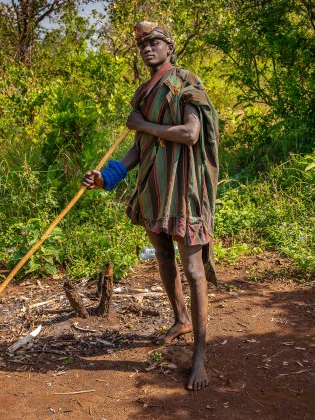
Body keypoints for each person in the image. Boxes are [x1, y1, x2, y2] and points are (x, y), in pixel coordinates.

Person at [82, 21, 219, 391]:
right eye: (142, 45)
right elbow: (137, 148)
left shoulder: (185, 82)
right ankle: (180, 319)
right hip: (154, 189)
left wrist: (143, 122)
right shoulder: (145, 91)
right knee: (161, 256)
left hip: (184, 189)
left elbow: (190, 135)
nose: (147, 48)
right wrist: (107, 177)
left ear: (169, 46)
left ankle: (200, 355)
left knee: (193, 269)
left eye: (154, 42)